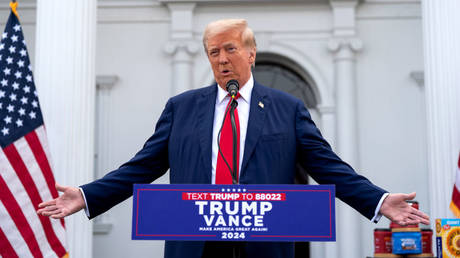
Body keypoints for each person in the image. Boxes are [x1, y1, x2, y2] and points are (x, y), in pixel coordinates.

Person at [38, 19, 429, 258]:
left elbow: (328, 167)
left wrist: (378, 199)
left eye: (230, 48)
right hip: (194, 246)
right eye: (213, 53)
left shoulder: (287, 108)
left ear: (251, 53)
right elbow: (142, 166)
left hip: (265, 246)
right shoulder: (182, 108)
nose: (222, 59)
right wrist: (88, 195)